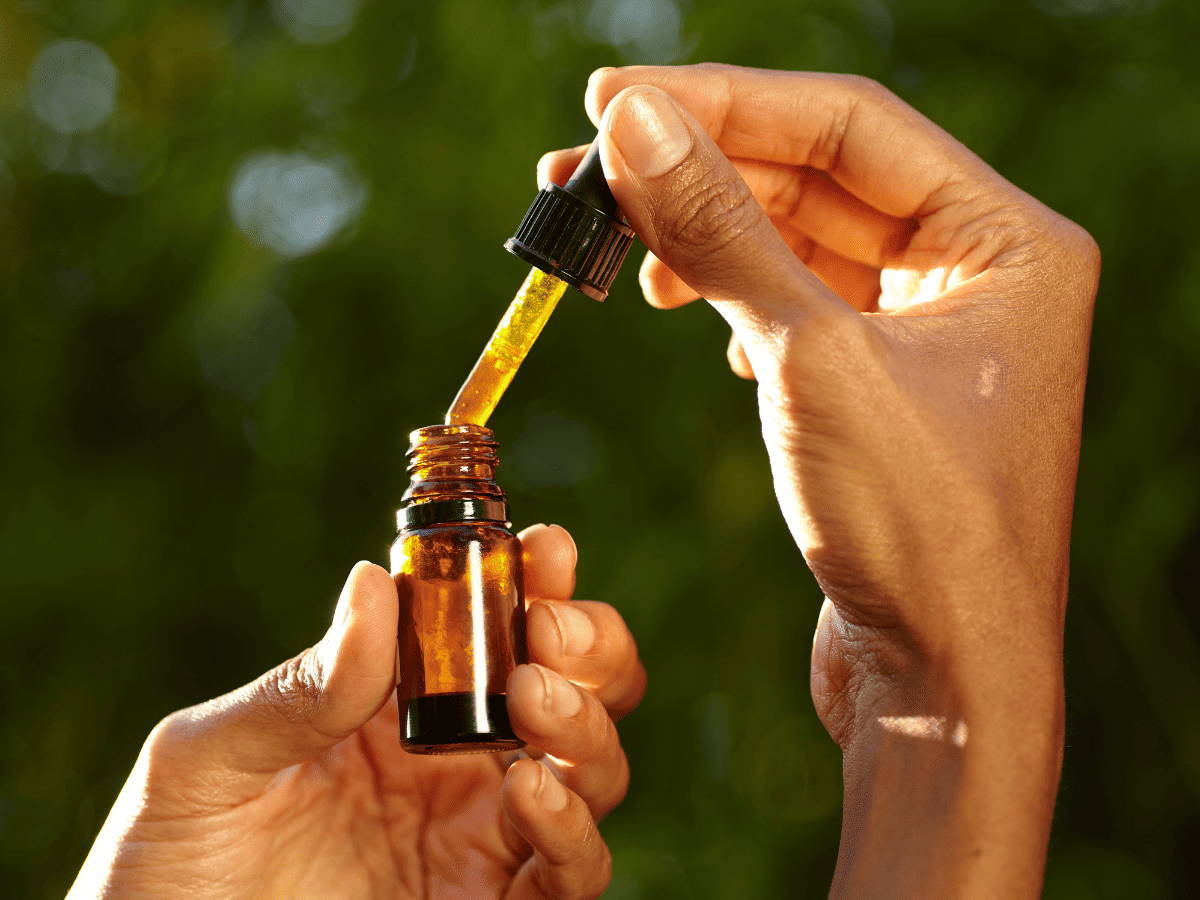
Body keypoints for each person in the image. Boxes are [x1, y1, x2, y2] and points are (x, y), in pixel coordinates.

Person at [69, 63, 1098, 899]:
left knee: (552, 670)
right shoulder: (446, 544)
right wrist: (953, 678)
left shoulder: (459, 550)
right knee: (549, 672)